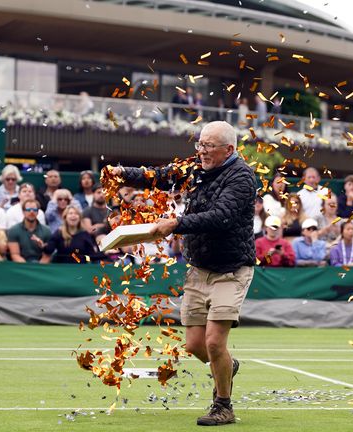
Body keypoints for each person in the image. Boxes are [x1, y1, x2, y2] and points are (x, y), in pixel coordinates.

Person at [109, 121, 255, 426]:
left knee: (215, 343)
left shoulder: (241, 177)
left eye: (208, 146)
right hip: (199, 267)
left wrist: (175, 224)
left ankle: (223, 406)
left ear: (228, 149)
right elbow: (160, 176)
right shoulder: (197, 165)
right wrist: (122, 173)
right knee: (195, 345)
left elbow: (221, 217)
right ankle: (227, 366)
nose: (200, 151)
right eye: (199, 144)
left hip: (231, 269)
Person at [6, 198, 52, 263]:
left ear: (38, 212)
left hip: (41, 267)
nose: (31, 212)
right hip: (21, 266)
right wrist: (28, 268)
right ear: (23, 212)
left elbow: (47, 255)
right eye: (28, 210)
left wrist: (38, 268)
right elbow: (15, 255)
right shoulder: (13, 230)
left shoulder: (47, 231)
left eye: (34, 210)